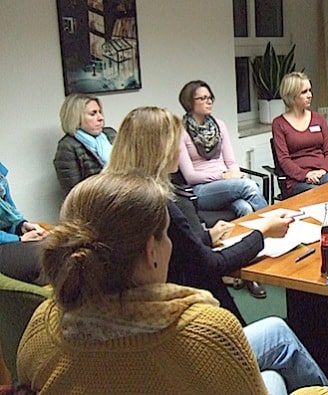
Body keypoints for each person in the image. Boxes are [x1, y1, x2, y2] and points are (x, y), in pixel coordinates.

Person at [16, 172, 328, 394]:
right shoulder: (207, 330)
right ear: (152, 252)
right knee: (274, 378)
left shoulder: (42, 325)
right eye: (170, 234)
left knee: (276, 333)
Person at [104, 106, 292, 323]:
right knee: (280, 332)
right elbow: (210, 265)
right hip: (191, 316)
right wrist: (263, 232)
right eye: (176, 143)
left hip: (145, 309)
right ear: (159, 149)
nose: (180, 150)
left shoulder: (120, 194)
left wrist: (206, 237)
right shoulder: (159, 206)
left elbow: (181, 248)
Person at [177, 80, 269, 298]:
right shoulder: (180, 131)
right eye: (202, 98)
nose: (208, 101)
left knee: (245, 207)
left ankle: (251, 274)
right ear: (190, 102)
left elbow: (231, 162)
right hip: (201, 190)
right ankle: (272, 233)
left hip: (229, 186)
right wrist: (225, 177)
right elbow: (190, 175)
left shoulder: (219, 125)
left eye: (210, 97)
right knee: (248, 186)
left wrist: (233, 174)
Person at [272, 72, 328, 196]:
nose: (310, 95)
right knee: (317, 193)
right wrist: (306, 175)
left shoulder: (318, 118)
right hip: (298, 180)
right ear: (291, 96)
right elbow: (284, 160)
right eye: (304, 92)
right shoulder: (279, 123)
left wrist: (322, 171)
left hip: (324, 175)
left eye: (310, 90)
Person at [53, 93, 116, 194]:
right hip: (96, 203)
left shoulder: (110, 134)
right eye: (93, 114)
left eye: (100, 112)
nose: (101, 118)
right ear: (76, 118)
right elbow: (74, 193)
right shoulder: (67, 147)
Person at [0, 161, 48, 285]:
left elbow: (11, 210)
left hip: (10, 238)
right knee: (45, 257)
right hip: (5, 242)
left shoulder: (1, 174)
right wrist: (19, 239)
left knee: (59, 242)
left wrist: (22, 225)